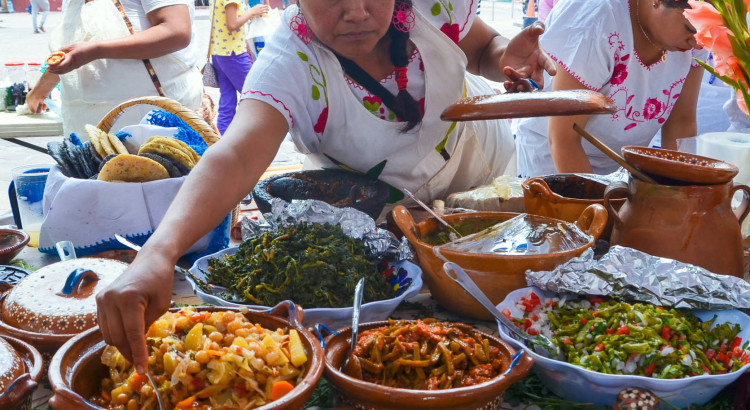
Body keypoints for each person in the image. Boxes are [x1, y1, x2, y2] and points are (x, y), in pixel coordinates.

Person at [95, 0, 555, 373]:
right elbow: (235, 156)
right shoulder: (290, 65)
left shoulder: (430, 8)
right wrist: (157, 253)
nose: (355, 10)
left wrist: (503, 56)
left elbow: (480, 49)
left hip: (481, 175)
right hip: (384, 215)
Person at [513, 0, 705, 177]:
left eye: (704, 32)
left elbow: (681, 121)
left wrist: (678, 192)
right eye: (689, 29)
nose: (696, 42)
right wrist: (599, 209)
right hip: (554, 164)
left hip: (619, 172)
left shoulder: (697, 36)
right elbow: (563, 139)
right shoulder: (597, 18)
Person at [24, 0, 202, 140]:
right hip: (88, 129)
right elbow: (72, 49)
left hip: (150, 124)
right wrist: (41, 90)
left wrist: (96, 50)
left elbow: (176, 31)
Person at [210, 0, 269, 134]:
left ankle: (222, 142)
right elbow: (232, 24)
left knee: (227, 102)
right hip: (233, 53)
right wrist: (252, 11)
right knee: (256, 96)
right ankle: (252, 138)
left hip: (219, 53)